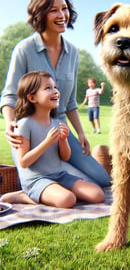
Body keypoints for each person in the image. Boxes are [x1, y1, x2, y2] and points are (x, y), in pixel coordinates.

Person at [0, 0, 111, 200]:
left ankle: (57, 178)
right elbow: (10, 95)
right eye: (53, 10)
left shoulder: (73, 53)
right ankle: (34, 191)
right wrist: (10, 124)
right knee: (54, 183)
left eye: (65, 9)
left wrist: (80, 133)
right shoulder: (25, 49)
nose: (62, 15)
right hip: (30, 132)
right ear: (41, 13)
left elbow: (69, 102)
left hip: (60, 129)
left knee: (101, 180)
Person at [2, 71, 105, 208]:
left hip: (59, 175)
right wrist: (47, 142)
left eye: (55, 87)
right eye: (48, 88)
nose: (55, 91)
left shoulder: (56, 123)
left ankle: (54, 193)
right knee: (68, 200)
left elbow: (65, 157)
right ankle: (23, 195)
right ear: (32, 98)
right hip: (37, 179)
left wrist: (63, 141)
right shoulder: (24, 125)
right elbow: (23, 162)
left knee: (97, 195)